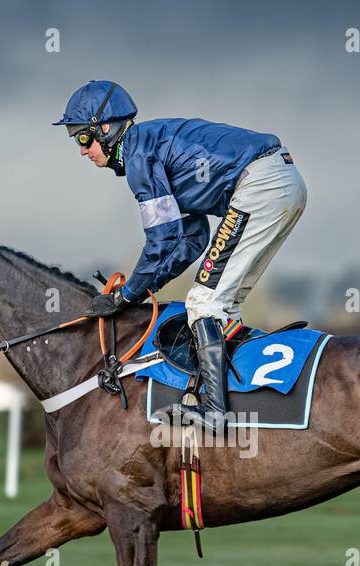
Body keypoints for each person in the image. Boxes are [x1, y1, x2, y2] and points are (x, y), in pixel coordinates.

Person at [55, 80, 307, 430]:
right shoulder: (150, 145)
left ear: (107, 128)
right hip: (280, 182)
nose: (83, 150)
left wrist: (127, 296)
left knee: (204, 303)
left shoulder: (139, 152)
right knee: (223, 303)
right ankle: (241, 401)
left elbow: (161, 238)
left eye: (84, 138)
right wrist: (138, 291)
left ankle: (216, 412)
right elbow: (190, 239)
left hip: (260, 186)